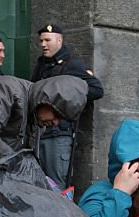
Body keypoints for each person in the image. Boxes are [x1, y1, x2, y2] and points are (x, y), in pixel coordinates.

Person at [31, 23, 104, 186]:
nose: (43, 44)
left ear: (59, 41)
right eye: (41, 41)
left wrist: (64, 99)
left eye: (47, 40)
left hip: (59, 134)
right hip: (39, 133)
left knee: (56, 185)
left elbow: (96, 90)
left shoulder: (72, 65)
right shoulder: (41, 66)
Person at [0, 74, 88, 163]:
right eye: (57, 114)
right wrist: (14, 161)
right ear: (46, 101)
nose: (56, 122)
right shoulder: (8, 90)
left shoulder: (37, 120)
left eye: (62, 119)